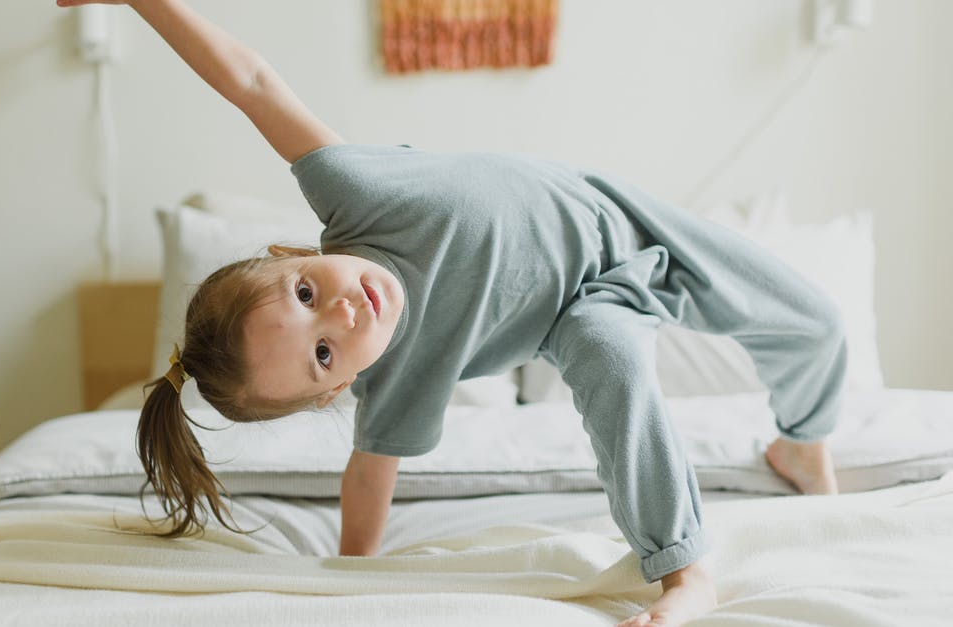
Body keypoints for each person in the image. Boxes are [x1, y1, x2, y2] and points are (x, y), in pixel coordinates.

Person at [55, 1, 845, 625]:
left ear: (295, 256)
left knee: (817, 321)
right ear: (336, 389)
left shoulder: (356, 197)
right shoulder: (396, 378)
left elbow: (252, 83)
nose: (344, 314)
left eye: (304, 294)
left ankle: (802, 445)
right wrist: (350, 577)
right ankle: (685, 569)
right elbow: (368, 478)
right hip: (585, 309)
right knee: (610, 356)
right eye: (324, 353)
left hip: (623, 219)